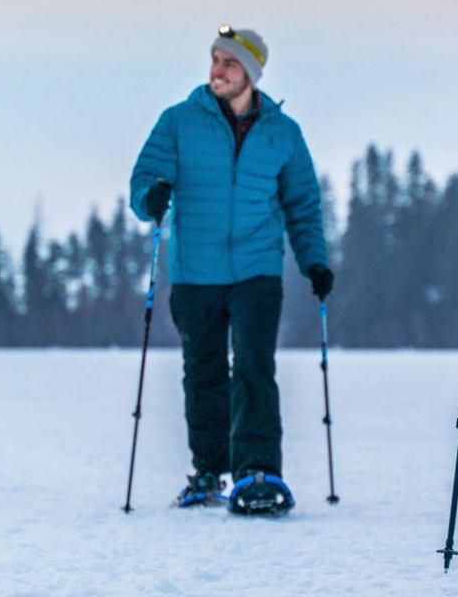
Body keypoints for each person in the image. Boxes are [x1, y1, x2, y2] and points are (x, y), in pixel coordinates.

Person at [130, 25, 333, 515]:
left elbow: (302, 204)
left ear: (251, 73)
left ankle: (257, 473)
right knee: (202, 372)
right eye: (215, 59)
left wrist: (315, 261)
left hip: (257, 271)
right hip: (195, 271)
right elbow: (144, 180)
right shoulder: (178, 122)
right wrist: (152, 196)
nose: (217, 70)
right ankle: (207, 471)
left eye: (229, 62)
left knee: (253, 367)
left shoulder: (283, 133)